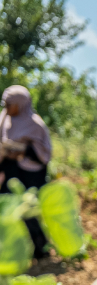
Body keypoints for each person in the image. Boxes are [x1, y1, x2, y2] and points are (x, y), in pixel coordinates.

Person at [0, 85, 53, 258]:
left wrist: (24, 150)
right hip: (10, 172)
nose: (7, 108)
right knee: (9, 209)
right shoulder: (3, 119)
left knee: (30, 212)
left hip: (31, 175)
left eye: (10, 104)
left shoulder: (35, 124)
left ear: (21, 104)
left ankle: (39, 249)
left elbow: (44, 154)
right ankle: (12, 250)